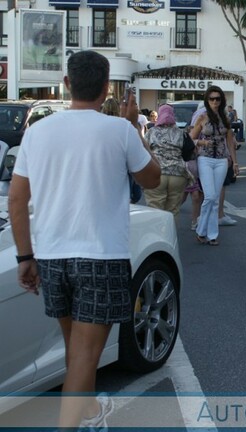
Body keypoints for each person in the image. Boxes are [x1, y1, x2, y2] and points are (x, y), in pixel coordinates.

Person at [8, 50, 160, 430]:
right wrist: (137, 130)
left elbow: (16, 200)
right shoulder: (120, 130)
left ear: (67, 84)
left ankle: (90, 412)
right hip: (101, 258)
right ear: (106, 88)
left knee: (76, 353)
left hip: (52, 259)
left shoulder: (37, 132)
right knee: (83, 357)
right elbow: (153, 179)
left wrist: (25, 256)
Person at [190, 85, 239, 246]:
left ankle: (211, 234)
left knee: (215, 198)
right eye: (212, 99)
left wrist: (235, 161)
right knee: (210, 196)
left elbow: (230, 141)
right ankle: (201, 230)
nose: (215, 102)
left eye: (218, 99)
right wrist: (202, 142)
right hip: (205, 158)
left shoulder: (225, 118)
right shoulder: (202, 117)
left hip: (222, 160)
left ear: (222, 100)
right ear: (207, 100)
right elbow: (190, 139)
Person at [143, 104, 191, 220]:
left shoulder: (152, 132)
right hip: (178, 175)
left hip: (157, 173)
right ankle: (170, 236)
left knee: (155, 210)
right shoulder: (181, 133)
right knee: (173, 211)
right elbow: (191, 153)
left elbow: (143, 150)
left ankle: (157, 237)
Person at [102, 97, 143, 204]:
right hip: (123, 166)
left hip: (104, 167)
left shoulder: (99, 126)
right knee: (130, 196)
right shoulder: (124, 126)